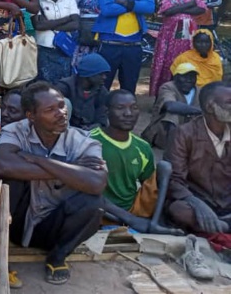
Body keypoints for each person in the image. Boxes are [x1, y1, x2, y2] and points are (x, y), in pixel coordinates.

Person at [0, 82, 107, 285]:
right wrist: (72, 169)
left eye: (62, 105)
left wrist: (40, 160)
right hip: (16, 224)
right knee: (9, 181)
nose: (61, 113)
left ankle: (58, 256)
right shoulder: (16, 131)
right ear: (31, 116)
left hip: (54, 227)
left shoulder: (82, 141)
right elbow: (2, 165)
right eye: (50, 110)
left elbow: (97, 182)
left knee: (94, 203)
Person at [91, 90, 181, 234]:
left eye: (134, 108)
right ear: (107, 112)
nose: (128, 114)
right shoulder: (91, 141)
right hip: (101, 210)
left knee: (165, 168)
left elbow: (150, 187)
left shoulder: (142, 147)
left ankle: (155, 222)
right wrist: (130, 219)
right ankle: (129, 223)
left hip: (133, 209)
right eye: (120, 108)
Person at [166, 81, 231, 235]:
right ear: (210, 107)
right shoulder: (184, 133)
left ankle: (221, 226)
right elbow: (174, 179)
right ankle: (223, 227)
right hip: (198, 200)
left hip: (228, 203)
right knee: (178, 210)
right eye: (229, 102)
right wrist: (196, 203)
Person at [94, 0, 155, 94]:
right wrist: (136, 5)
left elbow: (150, 7)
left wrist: (127, 3)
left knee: (129, 88)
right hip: (109, 44)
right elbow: (107, 9)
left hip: (134, 45)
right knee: (102, 87)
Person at [149, 0, 206, 96]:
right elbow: (166, 11)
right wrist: (189, 4)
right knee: (167, 63)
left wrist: (178, 8)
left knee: (187, 61)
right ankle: (164, 95)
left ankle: (185, 96)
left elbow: (201, 8)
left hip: (189, 36)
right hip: (169, 35)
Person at [33, 0, 79, 82]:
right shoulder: (39, 2)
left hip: (64, 49)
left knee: (63, 83)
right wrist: (66, 19)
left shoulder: (70, 1)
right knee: (46, 84)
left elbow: (75, 25)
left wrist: (49, 24)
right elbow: (38, 26)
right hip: (45, 50)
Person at [142, 62, 202, 150]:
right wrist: (201, 111)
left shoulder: (199, 91)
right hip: (164, 133)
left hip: (188, 133)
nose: (189, 80)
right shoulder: (167, 87)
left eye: (192, 76)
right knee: (172, 114)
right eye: (184, 76)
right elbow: (170, 106)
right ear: (175, 77)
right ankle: (172, 150)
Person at [54, 53, 110, 131]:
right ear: (89, 74)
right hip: (66, 129)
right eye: (100, 74)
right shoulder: (65, 87)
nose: (104, 77)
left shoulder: (101, 91)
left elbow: (102, 115)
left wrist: (97, 125)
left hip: (90, 131)